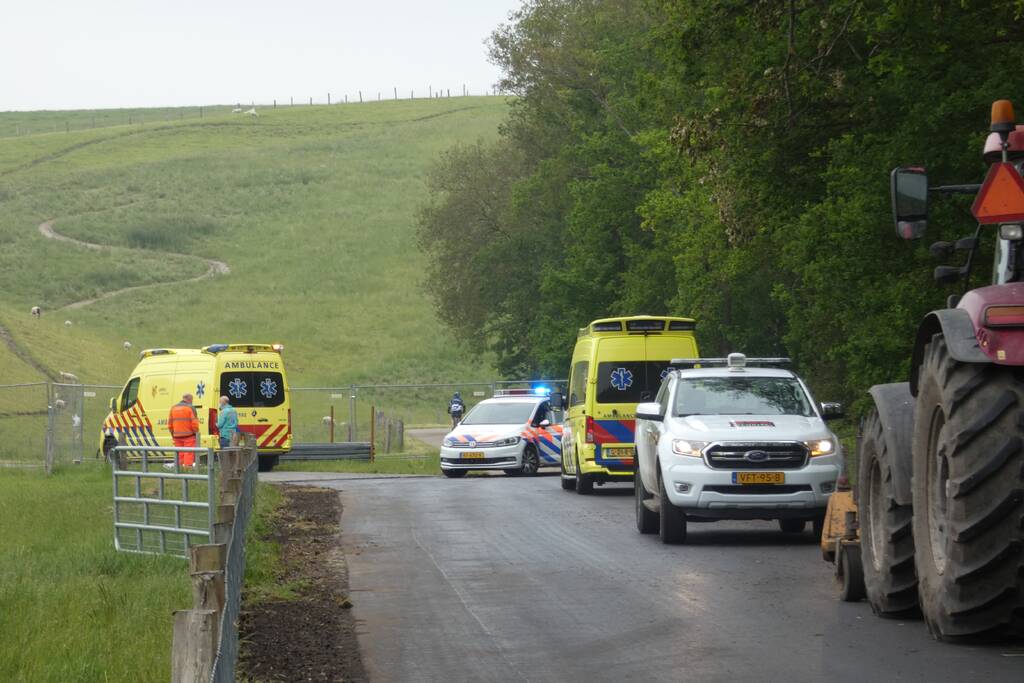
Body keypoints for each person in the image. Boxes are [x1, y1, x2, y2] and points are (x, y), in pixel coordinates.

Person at [167, 393, 200, 468]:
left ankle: (179, 469)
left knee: (179, 453)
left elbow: (169, 423)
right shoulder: (190, 408)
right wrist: (196, 432)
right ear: (190, 399)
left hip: (177, 436)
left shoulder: (173, 408)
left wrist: (173, 433)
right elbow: (194, 423)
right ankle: (187, 468)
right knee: (188, 453)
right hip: (189, 436)